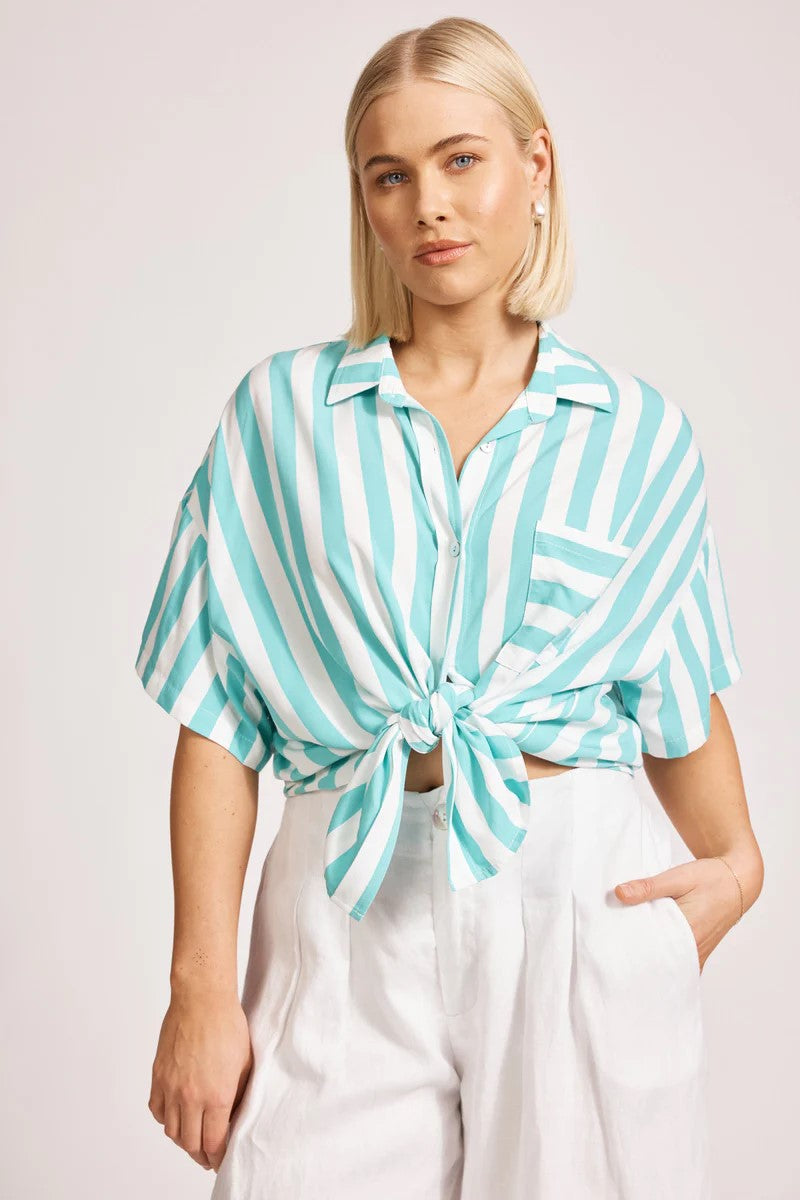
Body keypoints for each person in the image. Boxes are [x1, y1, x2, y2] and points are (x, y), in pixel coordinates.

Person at [135, 16, 764, 1200]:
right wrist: (198, 987)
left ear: (535, 165)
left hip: (573, 891)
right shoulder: (281, 417)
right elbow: (217, 709)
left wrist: (736, 866)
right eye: (390, 175)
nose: (428, 203)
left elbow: (672, 690)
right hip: (344, 891)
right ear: (364, 201)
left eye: (460, 159)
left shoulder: (637, 435)